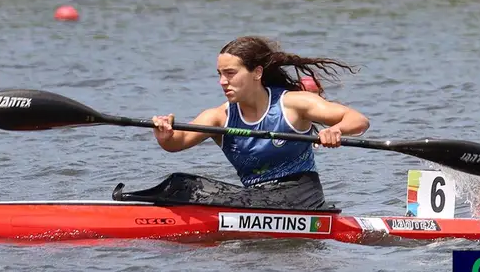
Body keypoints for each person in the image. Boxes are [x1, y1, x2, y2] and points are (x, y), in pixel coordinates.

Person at [117, 36, 371, 209]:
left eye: (230, 73)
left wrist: (335, 130)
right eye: (219, 74)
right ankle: (133, 204)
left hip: (301, 198)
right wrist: (164, 135)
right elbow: (176, 144)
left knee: (190, 190)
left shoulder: (293, 104)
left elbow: (358, 120)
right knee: (181, 183)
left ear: (257, 73)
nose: (222, 82)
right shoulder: (219, 117)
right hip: (255, 199)